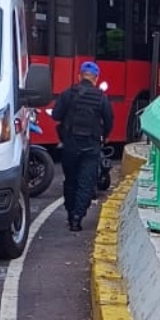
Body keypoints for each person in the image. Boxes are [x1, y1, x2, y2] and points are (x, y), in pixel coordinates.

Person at [51, 61, 114, 231]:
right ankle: (77, 218)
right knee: (86, 183)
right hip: (91, 147)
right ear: (96, 78)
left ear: (79, 76)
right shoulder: (101, 97)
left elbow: (56, 115)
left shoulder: (67, 93)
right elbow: (109, 121)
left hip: (70, 145)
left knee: (71, 180)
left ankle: (70, 212)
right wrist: (104, 137)